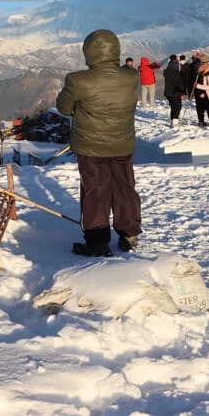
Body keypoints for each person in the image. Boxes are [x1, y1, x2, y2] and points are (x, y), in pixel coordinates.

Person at [56, 29, 142, 257]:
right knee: (125, 188)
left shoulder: (78, 80)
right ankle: (129, 233)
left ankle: (97, 241)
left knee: (95, 190)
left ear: (89, 52)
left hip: (91, 147)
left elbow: (64, 108)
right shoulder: (131, 76)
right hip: (123, 143)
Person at [162, 54, 184, 127]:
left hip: (168, 92)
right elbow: (179, 82)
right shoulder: (176, 68)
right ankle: (175, 122)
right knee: (178, 106)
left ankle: (172, 121)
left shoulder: (167, 69)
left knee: (173, 106)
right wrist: (181, 93)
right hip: (175, 91)